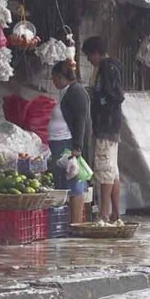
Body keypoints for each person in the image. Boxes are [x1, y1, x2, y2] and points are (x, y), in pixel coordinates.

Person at [82, 36, 125, 225]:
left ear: (96, 53)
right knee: (112, 171)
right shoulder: (109, 67)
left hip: (106, 125)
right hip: (111, 125)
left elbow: (116, 95)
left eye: (89, 56)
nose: (89, 60)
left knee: (104, 168)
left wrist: (98, 100)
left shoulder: (107, 68)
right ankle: (115, 213)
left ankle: (104, 214)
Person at [49, 61, 91, 225]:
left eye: (54, 79)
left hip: (69, 144)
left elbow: (81, 121)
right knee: (66, 182)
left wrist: (77, 148)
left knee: (74, 183)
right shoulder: (69, 91)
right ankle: (70, 223)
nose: (54, 83)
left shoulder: (76, 92)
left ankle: (75, 224)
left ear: (61, 77)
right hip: (61, 144)